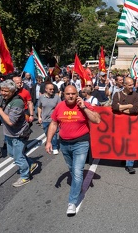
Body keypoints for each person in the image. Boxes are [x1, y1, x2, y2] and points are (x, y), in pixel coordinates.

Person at [45, 85, 101, 216]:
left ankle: (72, 202)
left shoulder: (84, 105)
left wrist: (84, 108)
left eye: (73, 94)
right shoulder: (59, 106)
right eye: (68, 94)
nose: (70, 96)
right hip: (64, 144)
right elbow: (54, 123)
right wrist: (48, 141)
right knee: (71, 168)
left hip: (81, 143)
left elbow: (97, 120)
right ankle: (78, 184)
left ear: (77, 94)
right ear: (63, 94)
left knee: (77, 171)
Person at [0, 80, 38, 187]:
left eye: (6, 91)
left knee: (18, 158)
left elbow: (10, 122)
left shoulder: (17, 102)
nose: (3, 93)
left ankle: (25, 177)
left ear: (13, 91)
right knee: (12, 154)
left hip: (19, 134)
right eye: (2, 90)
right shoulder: (4, 99)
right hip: (9, 133)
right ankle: (31, 163)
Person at [112, 77, 138, 173]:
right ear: (124, 85)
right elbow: (114, 107)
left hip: (132, 124)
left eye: (133, 84)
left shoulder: (136, 95)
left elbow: (135, 109)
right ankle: (123, 158)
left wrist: (121, 108)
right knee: (122, 142)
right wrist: (128, 106)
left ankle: (129, 164)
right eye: (130, 85)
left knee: (130, 143)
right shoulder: (117, 94)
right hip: (120, 124)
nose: (132, 86)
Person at [38, 82, 61, 154]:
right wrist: (39, 116)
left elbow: (60, 107)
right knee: (47, 134)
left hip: (53, 120)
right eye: (50, 89)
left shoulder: (56, 97)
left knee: (53, 134)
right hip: (45, 119)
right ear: (46, 89)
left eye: (53, 89)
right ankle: (49, 143)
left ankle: (54, 147)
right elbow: (39, 107)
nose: (52, 90)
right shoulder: (41, 97)